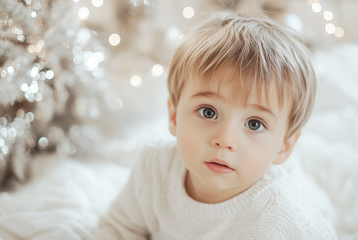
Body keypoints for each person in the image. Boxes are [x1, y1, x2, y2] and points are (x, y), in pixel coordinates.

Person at [96, 13, 337, 239]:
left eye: (254, 124)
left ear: (284, 147)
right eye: (208, 112)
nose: (225, 139)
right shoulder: (155, 168)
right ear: (174, 117)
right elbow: (118, 228)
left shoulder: (280, 222)